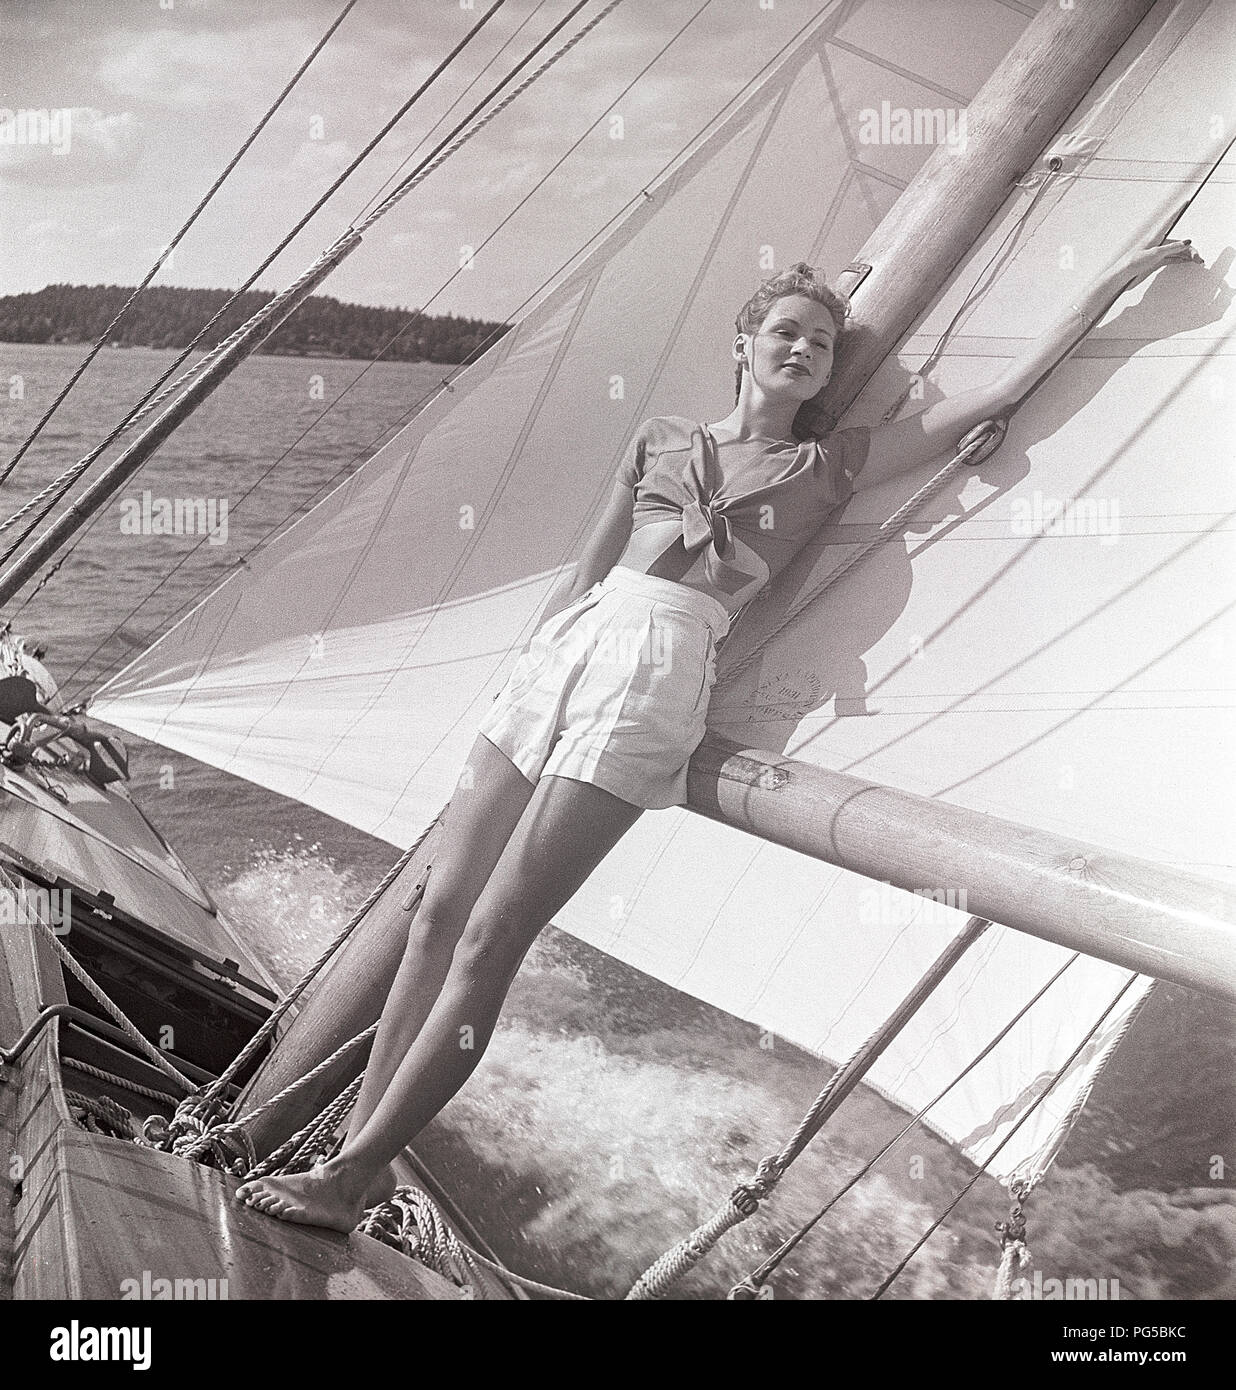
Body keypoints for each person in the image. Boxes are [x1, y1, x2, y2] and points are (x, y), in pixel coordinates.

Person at [236, 240, 1197, 1231]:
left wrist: (1109, 283)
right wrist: (536, 660)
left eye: (823, 345)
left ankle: (351, 1175)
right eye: (786, 331)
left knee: (491, 936)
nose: (804, 350)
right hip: (565, 651)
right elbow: (584, 573)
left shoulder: (828, 464)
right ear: (741, 344)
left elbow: (998, 394)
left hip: (658, 669)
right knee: (438, 912)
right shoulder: (658, 440)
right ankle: (351, 1152)